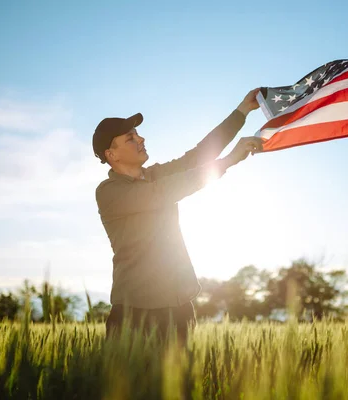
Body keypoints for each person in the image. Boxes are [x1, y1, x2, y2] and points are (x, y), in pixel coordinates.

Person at [92, 89, 263, 342]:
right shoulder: (109, 193)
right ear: (111, 155)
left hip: (179, 307)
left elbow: (198, 156)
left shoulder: (155, 174)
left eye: (137, 134)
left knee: (179, 382)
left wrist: (242, 111)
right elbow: (164, 192)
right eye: (130, 138)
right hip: (134, 314)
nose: (141, 139)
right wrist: (228, 161)